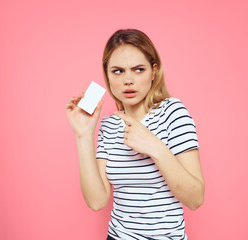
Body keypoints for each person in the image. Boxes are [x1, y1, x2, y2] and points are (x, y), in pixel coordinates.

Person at [66, 29, 204, 240]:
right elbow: (97, 202)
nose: (128, 80)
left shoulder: (173, 112)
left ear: (153, 71)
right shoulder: (108, 125)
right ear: (108, 75)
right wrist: (84, 135)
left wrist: (155, 147)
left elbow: (195, 198)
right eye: (118, 71)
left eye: (138, 69)